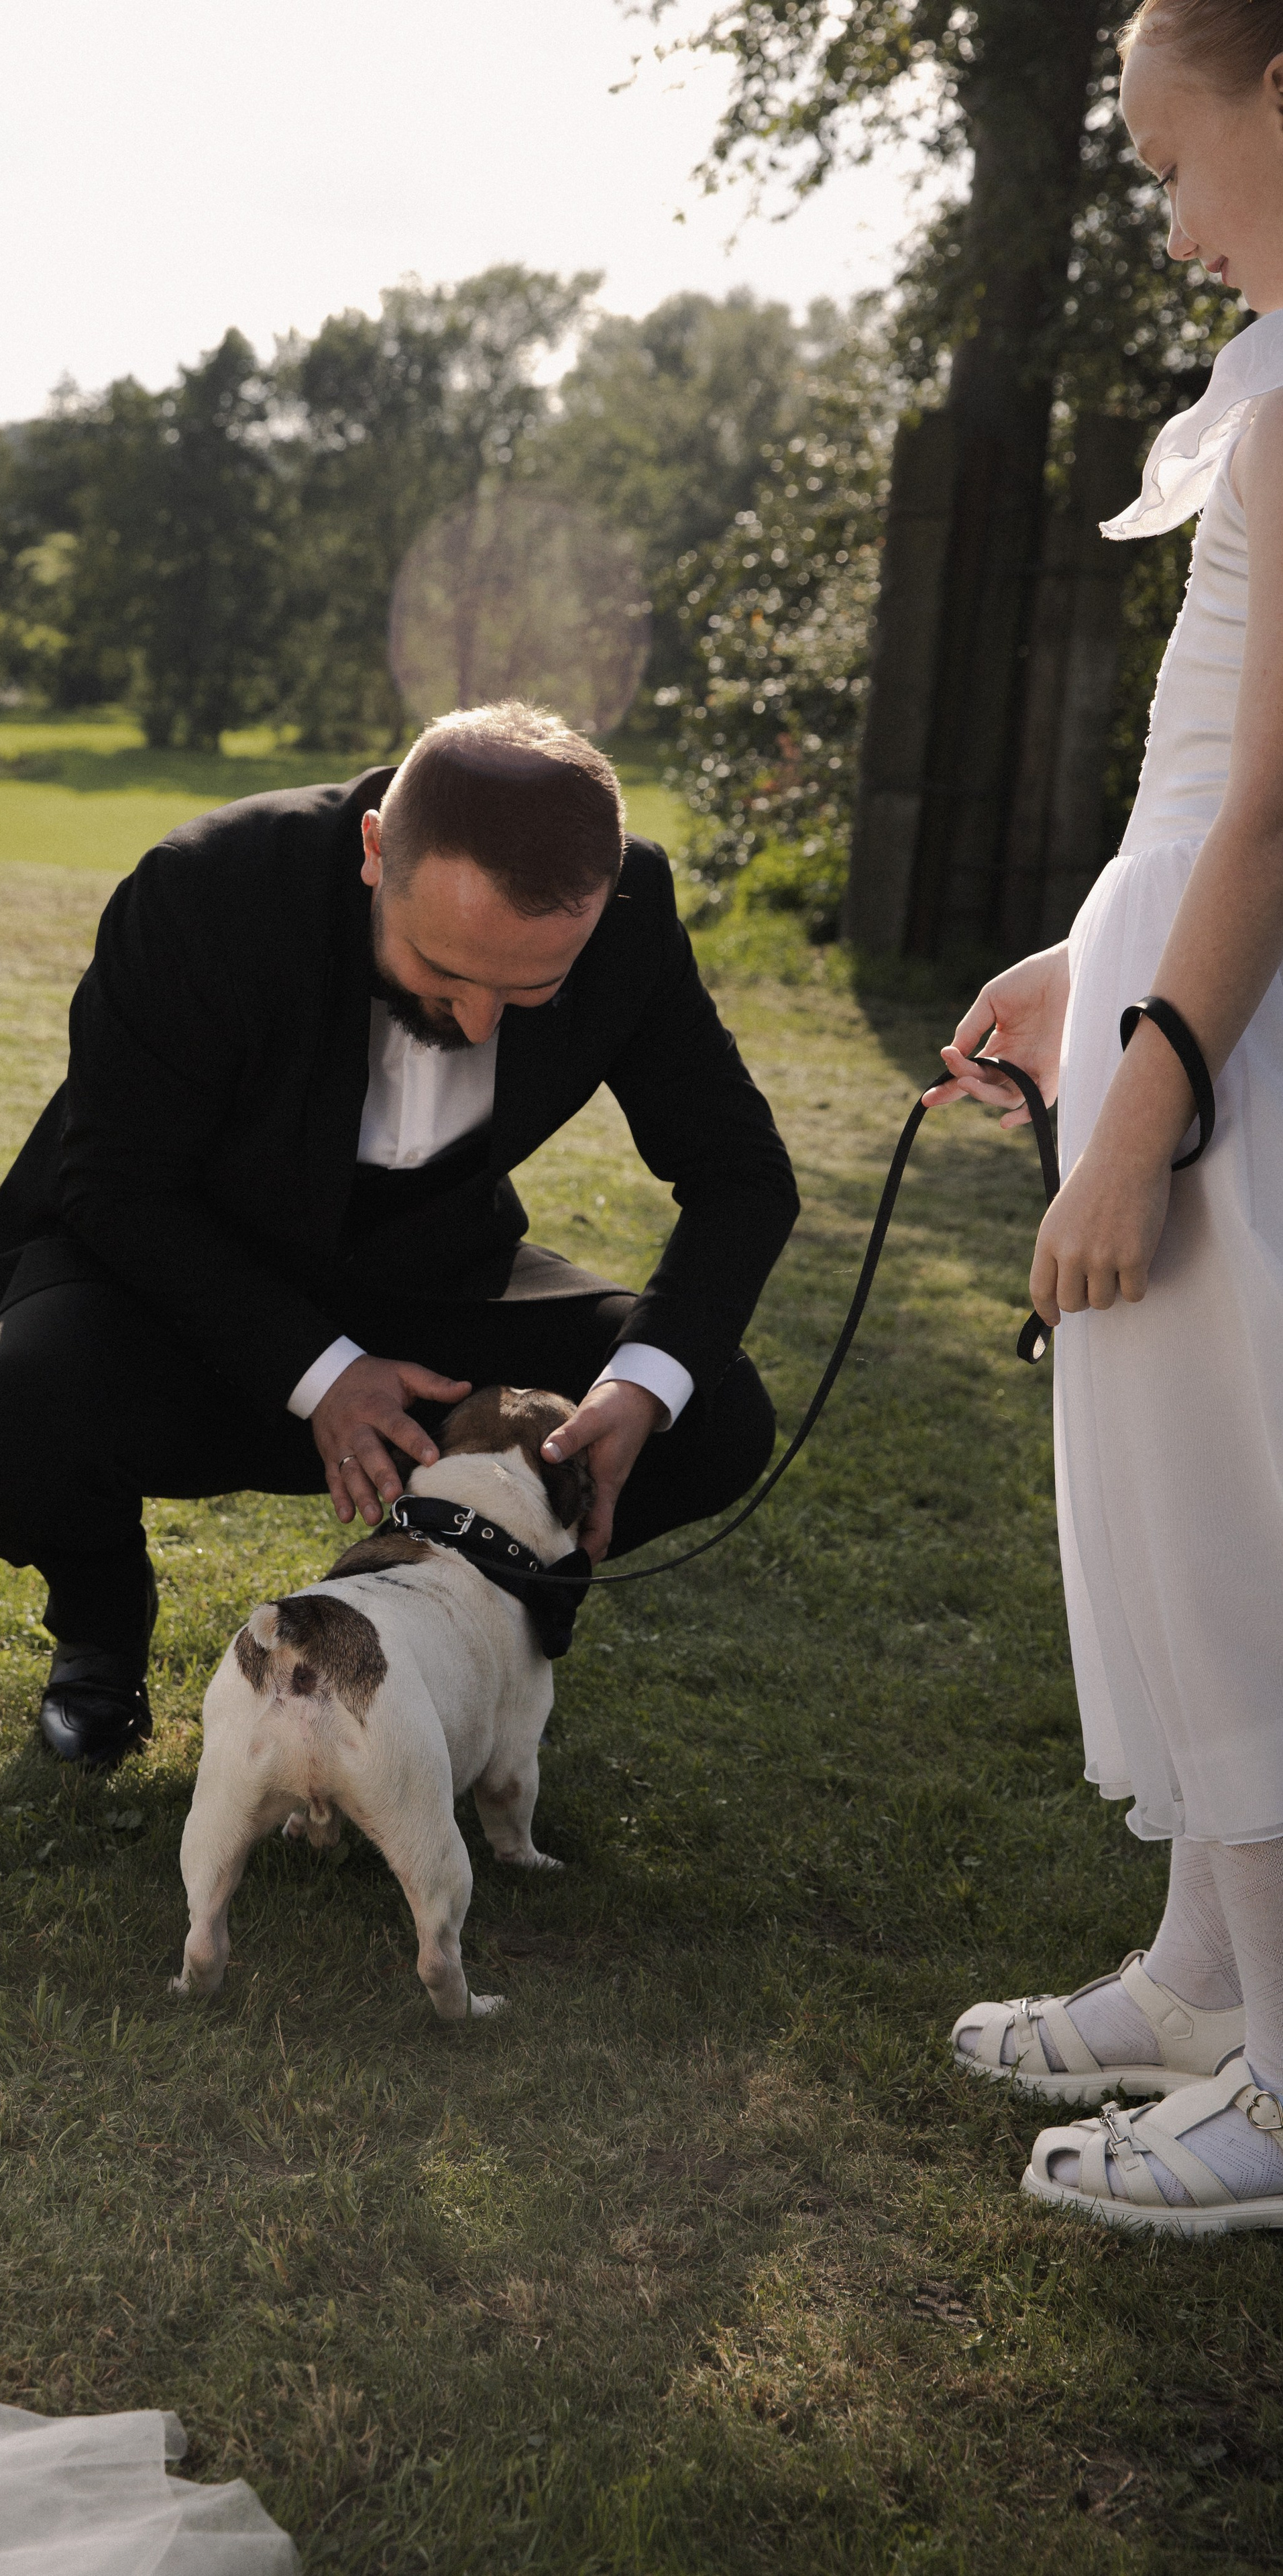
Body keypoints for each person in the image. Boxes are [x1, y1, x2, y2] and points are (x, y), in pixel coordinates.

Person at [0, 702, 798, 1770]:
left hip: (435, 1280)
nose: (480, 1024)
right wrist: (324, 1373)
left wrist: (636, 1386)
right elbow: (116, 1185)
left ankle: (466, 1612)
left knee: (708, 1411)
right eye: (445, 975)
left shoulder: (632, 905)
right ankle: (101, 1628)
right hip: (174, 1281)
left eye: (531, 990)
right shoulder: (205, 889)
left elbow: (741, 1175)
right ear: (377, 850)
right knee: (8, 1420)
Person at [935, 0, 1283, 2233]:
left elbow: (1274, 801)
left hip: (1223, 1043)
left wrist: (1148, 1098)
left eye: (1172, 164)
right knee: (1162, 1526)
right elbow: (1203, 756)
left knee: (1231, 1541)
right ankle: (1199, 1980)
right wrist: (1088, 963)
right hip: (1167, 991)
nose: (1158, 221)